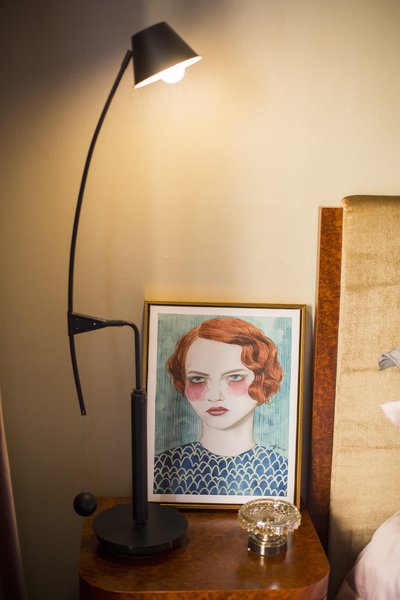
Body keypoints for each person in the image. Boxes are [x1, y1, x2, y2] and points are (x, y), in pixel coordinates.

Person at [153, 317, 288, 497]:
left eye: (235, 377)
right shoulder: (160, 469)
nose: (215, 395)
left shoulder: (283, 473)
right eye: (197, 379)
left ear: (262, 380)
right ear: (183, 383)